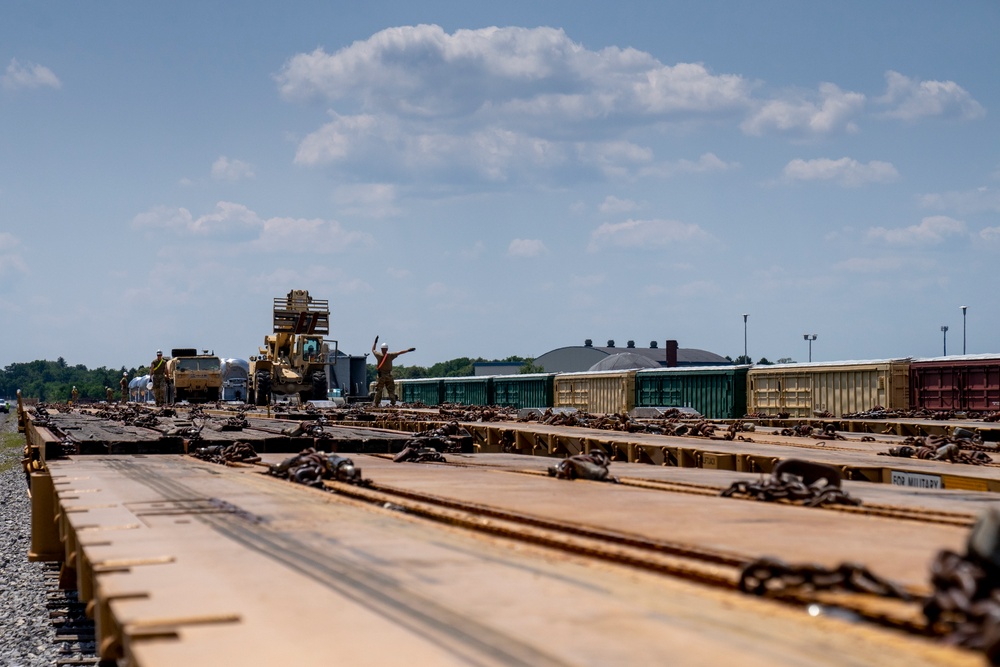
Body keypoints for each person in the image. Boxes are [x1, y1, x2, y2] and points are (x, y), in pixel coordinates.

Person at [371, 336, 415, 406]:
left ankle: (376, 403)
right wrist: (408, 350)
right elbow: (399, 352)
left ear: (381, 349)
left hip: (381, 375)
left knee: (379, 390)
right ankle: (393, 403)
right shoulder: (390, 355)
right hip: (389, 375)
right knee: (391, 390)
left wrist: (375, 342)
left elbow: (373, 350)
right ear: (387, 349)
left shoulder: (378, 355)